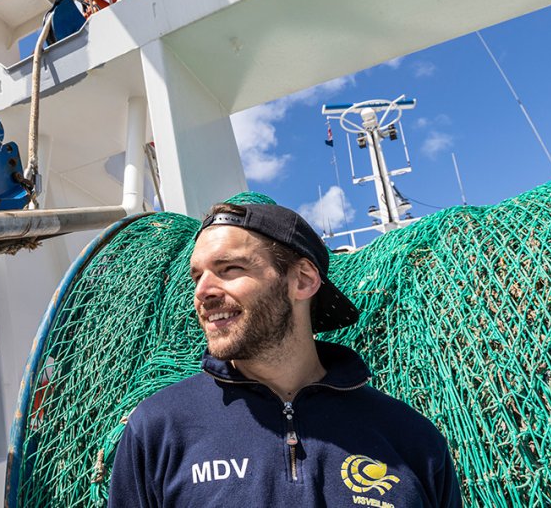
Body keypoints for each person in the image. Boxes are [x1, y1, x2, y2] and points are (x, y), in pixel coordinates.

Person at [107, 202, 462, 507]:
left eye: (230, 269)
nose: (203, 292)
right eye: (197, 277)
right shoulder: (159, 429)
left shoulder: (411, 437)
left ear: (303, 281)